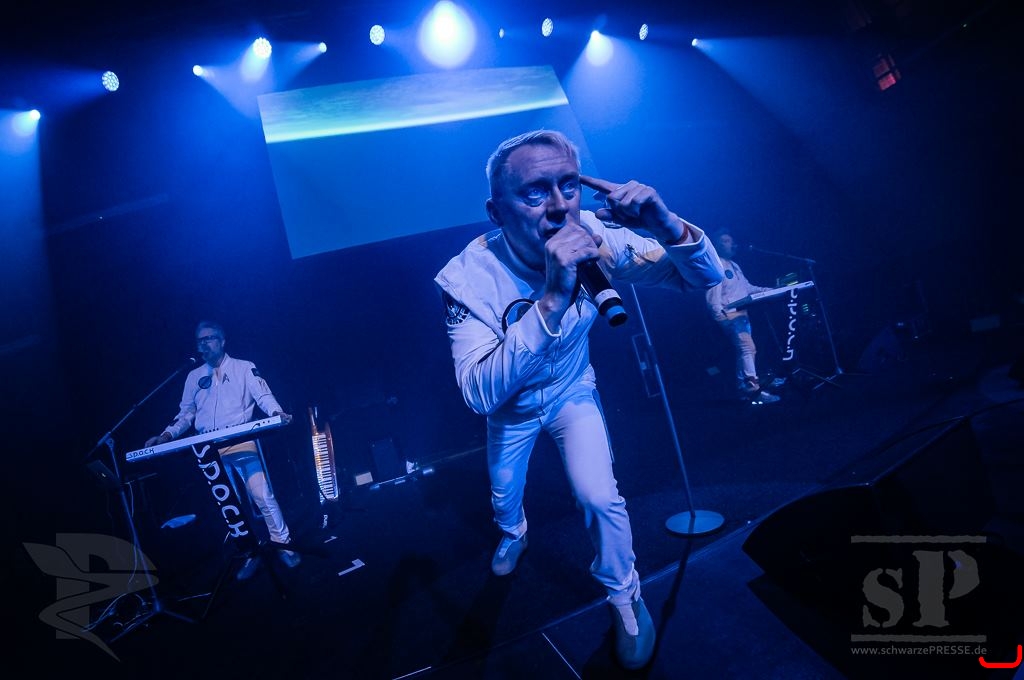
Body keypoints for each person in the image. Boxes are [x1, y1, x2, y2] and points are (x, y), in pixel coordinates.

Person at [434, 130, 724, 670]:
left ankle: (625, 597)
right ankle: (513, 533)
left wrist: (665, 223)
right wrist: (551, 296)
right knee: (504, 491)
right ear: (496, 212)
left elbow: (706, 278)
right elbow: (478, 393)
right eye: (535, 191)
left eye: (569, 185)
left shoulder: (597, 236)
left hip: (572, 389)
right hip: (511, 409)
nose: (559, 205)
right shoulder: (466, 279)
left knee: (599, 497)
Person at [144, 321, 301, 579]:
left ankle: (283, 544)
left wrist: (276, 412)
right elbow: (186, 413)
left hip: (241, 440)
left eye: (209, 338)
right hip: (208, 450)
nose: (204, 344)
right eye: (200, 340)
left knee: (262, 494)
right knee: (229, 505)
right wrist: (166, 434)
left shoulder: (244, 367)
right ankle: (249, 551)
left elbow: (263, 395)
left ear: (222, 340)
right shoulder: (193, 377)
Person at [705, 230, 782, 404]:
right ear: (717, 246)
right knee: (747, 348)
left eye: (731, 240)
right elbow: (712, 299)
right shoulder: (715, 266)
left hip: (742, 315)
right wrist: (723, 320)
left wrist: (773, 290)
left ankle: (744, 389)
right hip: (730, 316)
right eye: (725, 241)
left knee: (745, 351)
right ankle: (753, 389)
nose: (731, 244)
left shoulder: (734, 265)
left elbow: (747, 288)